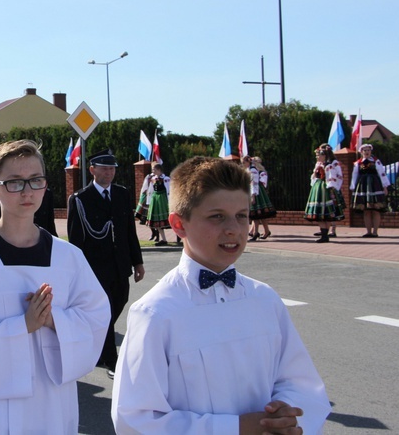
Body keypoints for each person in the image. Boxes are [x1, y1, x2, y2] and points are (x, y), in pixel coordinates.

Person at [111, 156, 331, 434]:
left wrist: (287, 413)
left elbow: (300, 382)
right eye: (217, 217)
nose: (233, 229)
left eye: (242, 216)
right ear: (178, 225)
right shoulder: (156, 313)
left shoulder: (265, 300)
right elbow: (135, 419)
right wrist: (234, 428)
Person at [0, 139, 110, 433]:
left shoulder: (68, 257)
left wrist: (55, 319)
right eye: (14, 182)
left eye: (35, 181)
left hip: (55, 402)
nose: (27, 191)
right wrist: (22, 326)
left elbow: (96, 316)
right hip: (0, 407)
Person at [67, 149, 145, 379]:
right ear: (92, 170)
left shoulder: (122, 194)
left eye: (112, 169)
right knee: (106, 311)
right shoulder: (81, 199)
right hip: (95, 267)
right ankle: (111, 359)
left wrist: (137, 262)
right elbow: (75, 239)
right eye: (104, 168)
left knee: (120, 301)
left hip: (120, 265)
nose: (109, 173)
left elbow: (130, 232)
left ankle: (100, 348)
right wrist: (78, 272)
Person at [304, 146, 345, 243]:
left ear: (324, 156)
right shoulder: (319, 165)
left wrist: (330, 189)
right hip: (318, 187)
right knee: (322, 214)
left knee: (323, 213)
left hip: (324, 188)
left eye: (319, 155)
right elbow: (314, 178)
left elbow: (331, 177)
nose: (317, 157)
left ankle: (324, 235)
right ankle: (324, 235)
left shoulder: (328, 165)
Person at [350, 143, 390, 238]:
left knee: (376, 210)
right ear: (361, 152)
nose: (367, 152)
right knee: (366, 210)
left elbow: (382, 173)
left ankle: (375, 231)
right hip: (363, 187)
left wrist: (385, 186)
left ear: (371, 151)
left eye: (368, 150)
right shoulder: (358, 163)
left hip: (375, 186)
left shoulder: (376, 161)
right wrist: (353, 187)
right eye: (365, 150)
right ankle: (368, 231)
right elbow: (354, 176)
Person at [250, 156, 276, 239]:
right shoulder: (253, 170)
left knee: (260, 214)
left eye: (255, 161)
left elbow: (263, 182)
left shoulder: (260, 171)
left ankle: (263, 231)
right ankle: (255, 231)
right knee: (258, 214)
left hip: (259, 192)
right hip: (256, 191)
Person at [145, 162, 171, 246]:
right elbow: (151, 190)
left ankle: (181, 237)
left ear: (159, 170)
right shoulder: (153, 179)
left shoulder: (166, 179)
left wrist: (170, 201)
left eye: (154, 169)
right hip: (155, 199)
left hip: (163, 199)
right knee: (156, 221)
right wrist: (149, 201)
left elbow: (169, 190)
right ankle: (164, 239)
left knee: (169, 218)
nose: (153, 171)